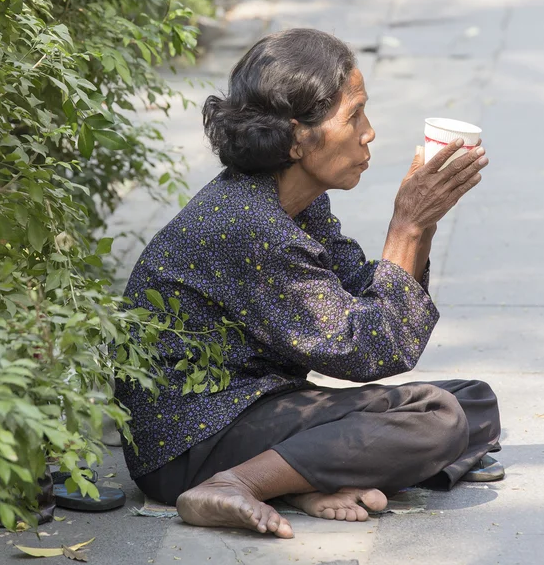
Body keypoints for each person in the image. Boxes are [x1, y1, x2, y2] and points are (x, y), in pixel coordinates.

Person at [115, 28, 501, 540]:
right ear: (298, 137)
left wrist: (422, 224)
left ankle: (301, 478)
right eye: (354, 115)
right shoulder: (252, 225)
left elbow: (367, 290)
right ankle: (234, 485)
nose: (369, 132)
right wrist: (406, 226)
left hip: (258, 406)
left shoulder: (296, 200)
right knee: (440, 419)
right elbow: (372, 350)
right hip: (189, 443)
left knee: (474, 400)